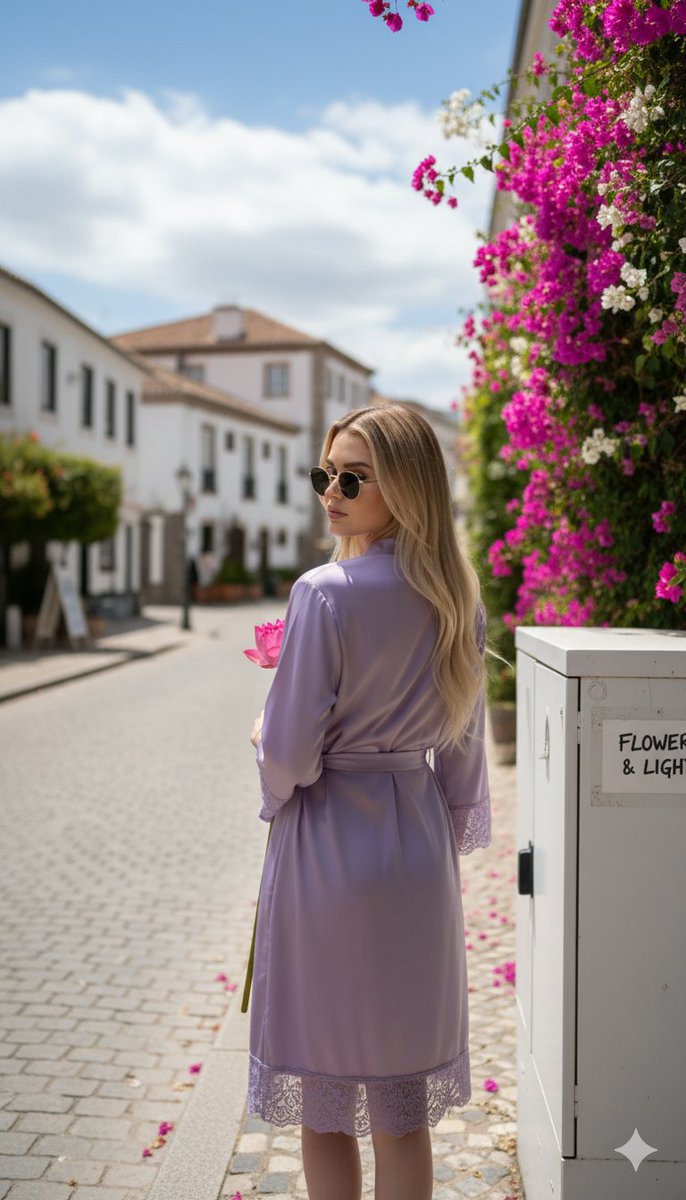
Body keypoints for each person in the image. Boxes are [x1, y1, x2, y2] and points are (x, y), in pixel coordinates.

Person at [248, 403, 491, 1200]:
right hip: (416, 854)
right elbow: (461, 753)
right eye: (325, 475)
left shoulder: (324, 593)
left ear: (408, 486)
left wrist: (262, 740)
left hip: (326, 852)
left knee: (326, 1105)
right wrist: (447, 827)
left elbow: (289, 752)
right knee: (402, 1109)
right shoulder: (457, 597)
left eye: (353, 476)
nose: (332, 491)